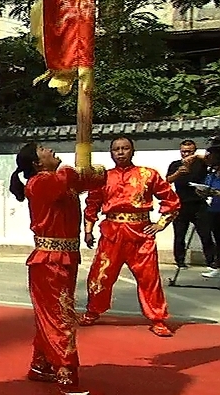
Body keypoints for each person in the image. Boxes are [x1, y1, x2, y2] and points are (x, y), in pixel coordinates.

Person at [9, 143, 106, 395]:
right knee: (60, 319)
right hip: (49, 263)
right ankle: (68, 381)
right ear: (36, 164)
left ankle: (40, 366)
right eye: (43, 149)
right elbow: (74, 176)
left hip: (64, 259)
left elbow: (95, 180)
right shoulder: (40, 183)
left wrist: (90, 169)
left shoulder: (56, 181)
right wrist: (82, 158)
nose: (50, 149)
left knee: (51, 316)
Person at [81, 137, 180, 337]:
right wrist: (89, 230)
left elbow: (171, 200)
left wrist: (160, 224)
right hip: (112, 233)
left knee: (149, 278)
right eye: (116, 149)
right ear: (111, 153)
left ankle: (157, 319)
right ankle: (93, 310)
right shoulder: (103, 178)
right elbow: (92, 204)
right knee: (100, 275)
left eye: (125, 148)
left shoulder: (148, 175)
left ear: (132, 151)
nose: (120, 152)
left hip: (141, 233)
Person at [165, 140, 213, 270]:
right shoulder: (175, 164)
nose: (186, 154)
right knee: (180, 235)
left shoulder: (201, 163)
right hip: (181, 204)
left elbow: (212, 161)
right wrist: (178, 173)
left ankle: (211, 261)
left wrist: (196, 156)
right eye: (184, 151)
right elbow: (167, 180)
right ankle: (180, 261)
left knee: (206, 234)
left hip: (198, 203)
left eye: (189, 151)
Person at [200, 146, 220, 279]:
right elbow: (207, 186)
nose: (209, 157)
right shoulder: (212, 173)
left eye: (212, 155)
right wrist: (202, 191)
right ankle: (217, 266)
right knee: (218, 239)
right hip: (214, 209)